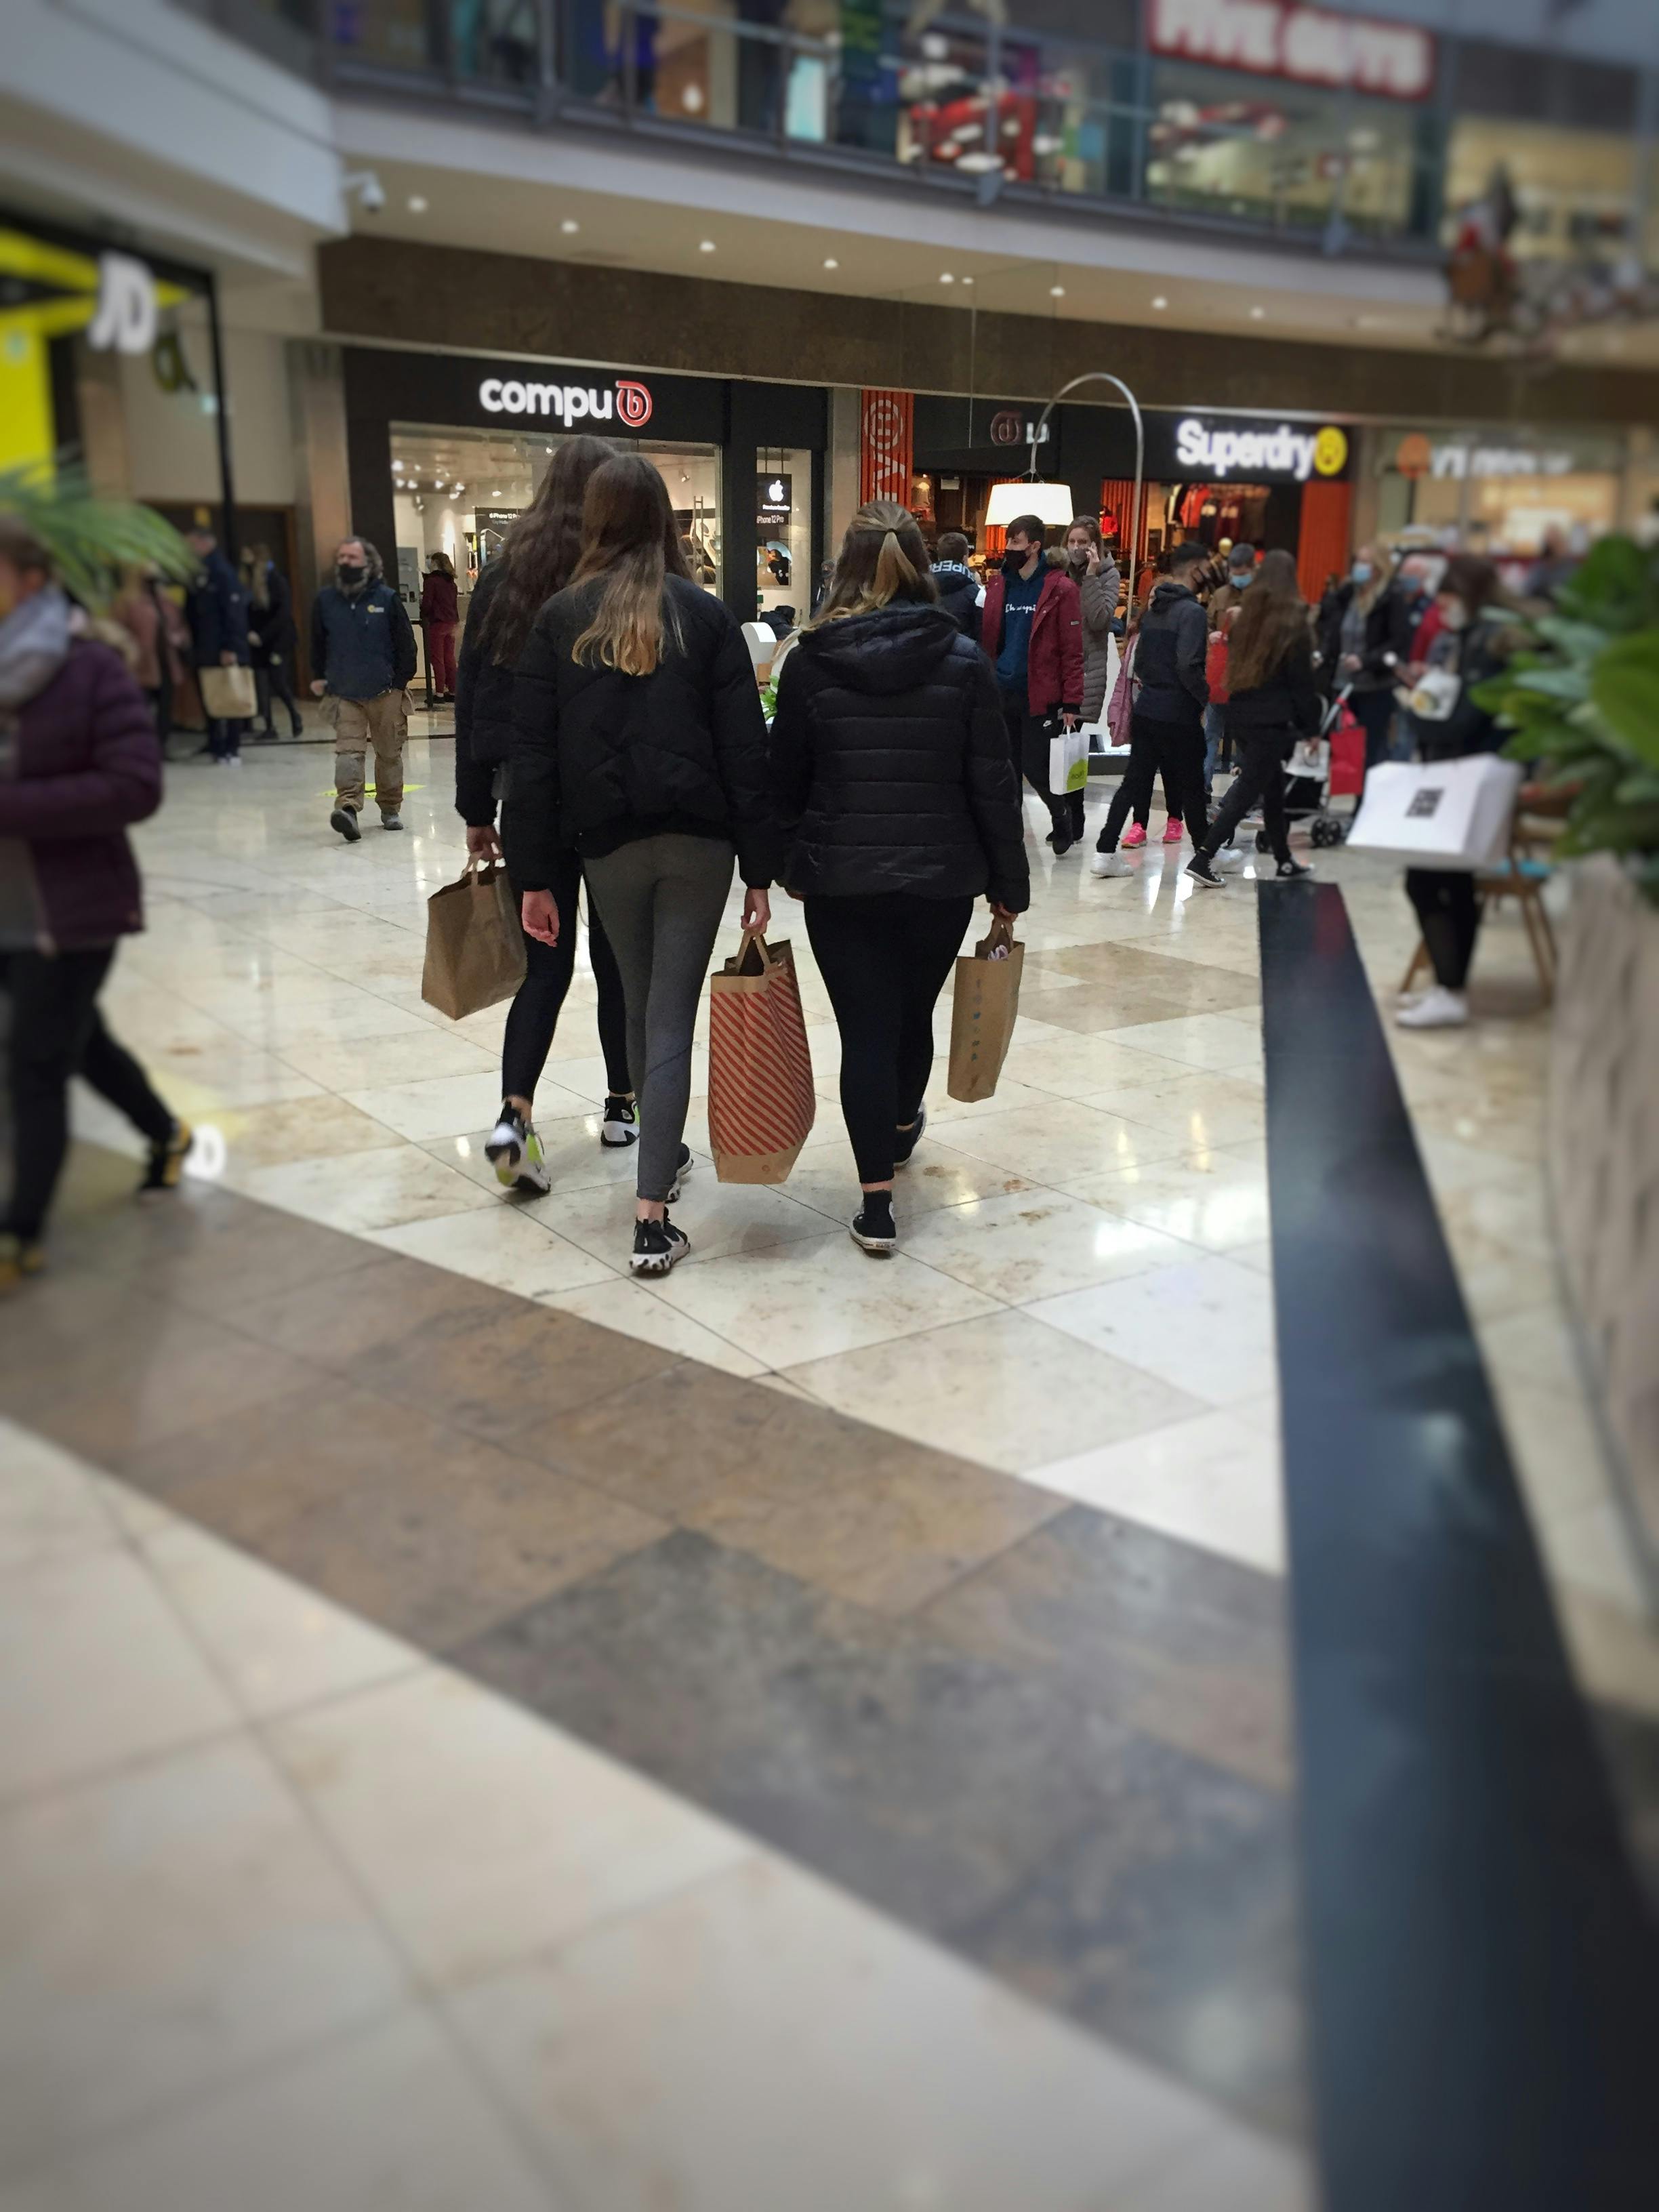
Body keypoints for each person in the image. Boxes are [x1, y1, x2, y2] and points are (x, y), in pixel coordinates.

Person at [505, 453, 775, 1275]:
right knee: (670, 1014)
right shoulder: (706, 615)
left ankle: (658, 1161)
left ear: (595, 521)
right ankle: (652, 1213)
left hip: (606, 848)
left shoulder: (558, 619)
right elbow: (744, 753)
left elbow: (535, 761)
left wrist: (536, 876)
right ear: (665, 519)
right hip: (699, 846)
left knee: (638, 997)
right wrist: (761, 869)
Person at [771, 501, 1029, 1254]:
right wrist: (1009, 885)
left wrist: (785, 866)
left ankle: (876, 1205)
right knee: (912, 1014)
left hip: (842, 881)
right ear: (920, 564)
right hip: (941, 878)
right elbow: (992, 782)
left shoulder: (811, 661)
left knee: (865, 1032)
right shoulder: (961, 658)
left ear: (842, 567)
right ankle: (905, 1120)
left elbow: (784, 780)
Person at [0, 516, 191, 1292]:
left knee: (37, 1062)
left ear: (32, 579)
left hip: (69, 908)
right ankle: (164, 1130)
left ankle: (20, 1233)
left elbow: (135, 785)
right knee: (79, 1042)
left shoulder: (90, 670)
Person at [454, 434, 637, 1189]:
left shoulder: (505, 576)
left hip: (526, 793)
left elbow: (473, 697)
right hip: (610, 796)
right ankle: (623, 1104)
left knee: (543, 961)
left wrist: (475, 806)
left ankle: (514, 1116)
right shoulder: (619, 580)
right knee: (619, 956)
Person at [1396, 554, 1519, 1031]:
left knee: (1432, 881)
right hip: (1465, 772)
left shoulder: (1488, 642)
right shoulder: (1476, 637)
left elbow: (1465, 719)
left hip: (1471, 774)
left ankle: (1450, 988)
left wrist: (1413, 714)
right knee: (1449, 884)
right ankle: (1450, 987)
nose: (1441, 608)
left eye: (1446, 598)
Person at [1185, 550, 1317, 889]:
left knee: (1271, 789)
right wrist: (1312, 728)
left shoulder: (1246, 619)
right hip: (1273, 721)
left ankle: (1285, 860)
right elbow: (1301, 683)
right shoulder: (1293, 624)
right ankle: (1203, 857)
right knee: (1246, 792)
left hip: (1240, 713)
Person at [1091, 541, 1223, 876]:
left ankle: (1105, 852)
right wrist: (1203, 696)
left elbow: (1142, 663)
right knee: (1191, 785)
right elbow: (1188, 665)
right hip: (1178, 710)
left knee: (1133, 782)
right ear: (1195, 569)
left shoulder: (1152, 613)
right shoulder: (1191, 613)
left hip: (1147, 707)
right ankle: (1204, 857)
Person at [978, 514, 1084, 853]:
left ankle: (1061, 815)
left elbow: (1072, 649)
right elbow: (991, 640)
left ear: (1035, 546)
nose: (1009, 548)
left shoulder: (1060, 588)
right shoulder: (999, 585)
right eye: (1008, 541)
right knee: (1007, 769)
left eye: (1016, 542)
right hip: (1002, 689)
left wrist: (1072, 702)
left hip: (1041, 694)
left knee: (1037, 768)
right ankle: (1010, 835)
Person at [310, 536, 417, 840]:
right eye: (341, 557)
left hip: (386, 691)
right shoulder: (327, 601)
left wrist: (400, 684)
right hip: (345, 693)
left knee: (389, 754)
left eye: (352, 557)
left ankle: (390, 808)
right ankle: (347, 808)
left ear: (369, 564)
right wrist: (319, 676)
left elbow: (406, 645)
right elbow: (318, 643)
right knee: (349, 753)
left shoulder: (387, 599)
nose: (345, 562)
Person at [1317, 543, 1411, 774]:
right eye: (1357, 561)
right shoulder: (1348, 594)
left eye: (1365, 562)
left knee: (1371, 752)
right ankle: (1350, 798)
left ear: (1379, 568)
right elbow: (1330, 624)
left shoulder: (1391, 597)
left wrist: (1366, 661)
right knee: (1344, 752)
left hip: (1375, 685)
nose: (1359, 567)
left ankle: (1365, 804)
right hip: (1344, 684)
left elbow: (1398, 641)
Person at [1064, 516, 1121, 845]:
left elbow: (1101, 620)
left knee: (1073, 749)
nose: (1076, 548)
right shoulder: (1059, 572)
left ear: (1095, 545)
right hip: (1060, 669)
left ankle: (1076, 816)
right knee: (1053, 748)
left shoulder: (1107, 574)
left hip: (1088, 672)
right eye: (1072, 541)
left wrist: (1091, 576)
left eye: (1083, 542)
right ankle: (1064, 815)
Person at [183, 522, 250, 766]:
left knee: (228, 697)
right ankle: (214, 743)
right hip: (204, 647)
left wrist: (231, 648)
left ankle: (232, 747)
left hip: (222, 648)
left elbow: (233, 613)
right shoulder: (200, 570)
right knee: (210, 695)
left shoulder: (222, 571)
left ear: (204, 542)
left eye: (191, 544)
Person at [1202, 541, 1256, 798]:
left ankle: (1243, 789)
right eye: (1235, 572)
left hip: (1248, 681)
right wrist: (1211, 635)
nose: (1238, 578)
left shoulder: (1262, 597)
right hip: (1220, 679)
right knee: (1211, 734)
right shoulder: (1221, 595)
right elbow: (1208, 625)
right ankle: (1203, 783)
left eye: (1243, 573)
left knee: (1244, 740)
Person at [243, 544, 304, 740]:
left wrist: (262, 635)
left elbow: (282, 615)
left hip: (276, 640)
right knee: (262, 685)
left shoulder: (275, 580)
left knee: (278, 682)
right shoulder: (251, 581)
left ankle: (295, 716)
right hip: (258, 641)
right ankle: (269, 726)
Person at [420, 551, 460, 701]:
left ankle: (439, 693)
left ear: (435, 562)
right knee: (449, 658)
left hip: (437, 623)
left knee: (437, 659)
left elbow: (427, 604)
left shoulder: (432, 581)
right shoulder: (451, 582)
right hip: (451, 622)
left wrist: (422, 613)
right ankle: (453, 691)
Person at [931, 529, 981, 639]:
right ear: (964, 559)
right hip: (964, 651)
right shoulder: (975, 593)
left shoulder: (922, 588)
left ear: (939, 558)